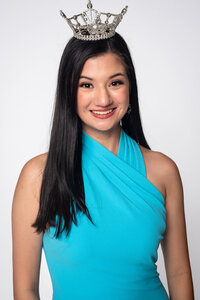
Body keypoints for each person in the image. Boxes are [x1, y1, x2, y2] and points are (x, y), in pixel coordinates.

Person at [12, 1, 194, 299]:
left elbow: (179, 273)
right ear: (68, 92)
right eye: (86, 85)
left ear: (129, 86)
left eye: (115, 82)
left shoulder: (163, 171)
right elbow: (26, 290)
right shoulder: (38, 177)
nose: (103, 98)